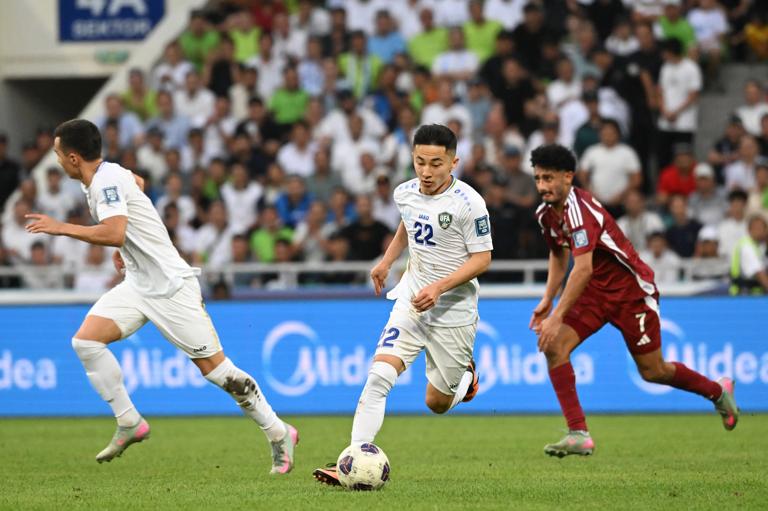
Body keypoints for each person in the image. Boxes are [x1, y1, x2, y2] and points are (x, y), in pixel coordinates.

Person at [24, 119, 298, 472]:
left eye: (59, 155)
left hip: (171, 287)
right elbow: (136, 186)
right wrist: (131, 245)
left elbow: (114, 230)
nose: (58, 161)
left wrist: (63, 228)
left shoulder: (105, 180)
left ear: (75, 158)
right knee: (86, 342)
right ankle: (129, 421)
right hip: (139, 284)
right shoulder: (108, 175)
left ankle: (278, 432)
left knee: (217, 371)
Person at [529, 143, 739, 458]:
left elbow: (582, 268)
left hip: (631, 292)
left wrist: (557, 315)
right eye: (538, 179)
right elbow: (559, 254)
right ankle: (578, 433)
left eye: (549, 178)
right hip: (595, 293)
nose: (543, 186)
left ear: (568, 177)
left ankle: (717, 391)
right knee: (554, 347)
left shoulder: (580, 211)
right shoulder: (546, 214)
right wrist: (547, 298)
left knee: (653, 371)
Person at [313, 124, 493, 485]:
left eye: (436, 164)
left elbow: (483, 258)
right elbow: (408, 226)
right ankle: (350, 460)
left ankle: (467, 381)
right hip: (411, 299)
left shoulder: (470, 203)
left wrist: (440, 287)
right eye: (420, 162)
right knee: (379, 376)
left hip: (453, 310)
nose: (426, 172)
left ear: (453, 162)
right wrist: (387, 261)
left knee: (437, 403)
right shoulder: (405, 193)